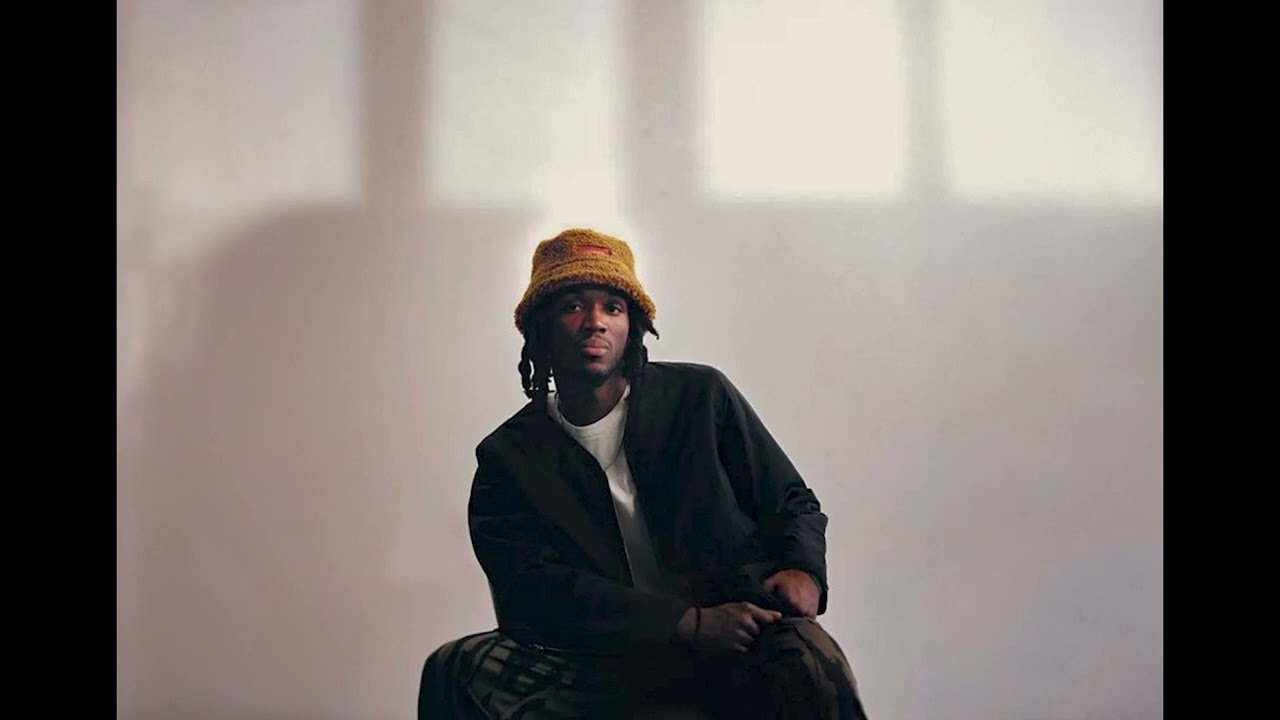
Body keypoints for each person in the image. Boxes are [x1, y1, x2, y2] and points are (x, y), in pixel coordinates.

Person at [419, 228, 869, 719]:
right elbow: (530, 590)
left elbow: (790, 499)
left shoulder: (701, 397)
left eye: (613, 308)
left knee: (812, 662)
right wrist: (683, 623)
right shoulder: (509, 456)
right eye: (573, 306)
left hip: (737, 633)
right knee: (454, 668)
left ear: (632, 326)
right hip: (601, 661)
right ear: (541, 328)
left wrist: (804, 569)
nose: (595, 322)